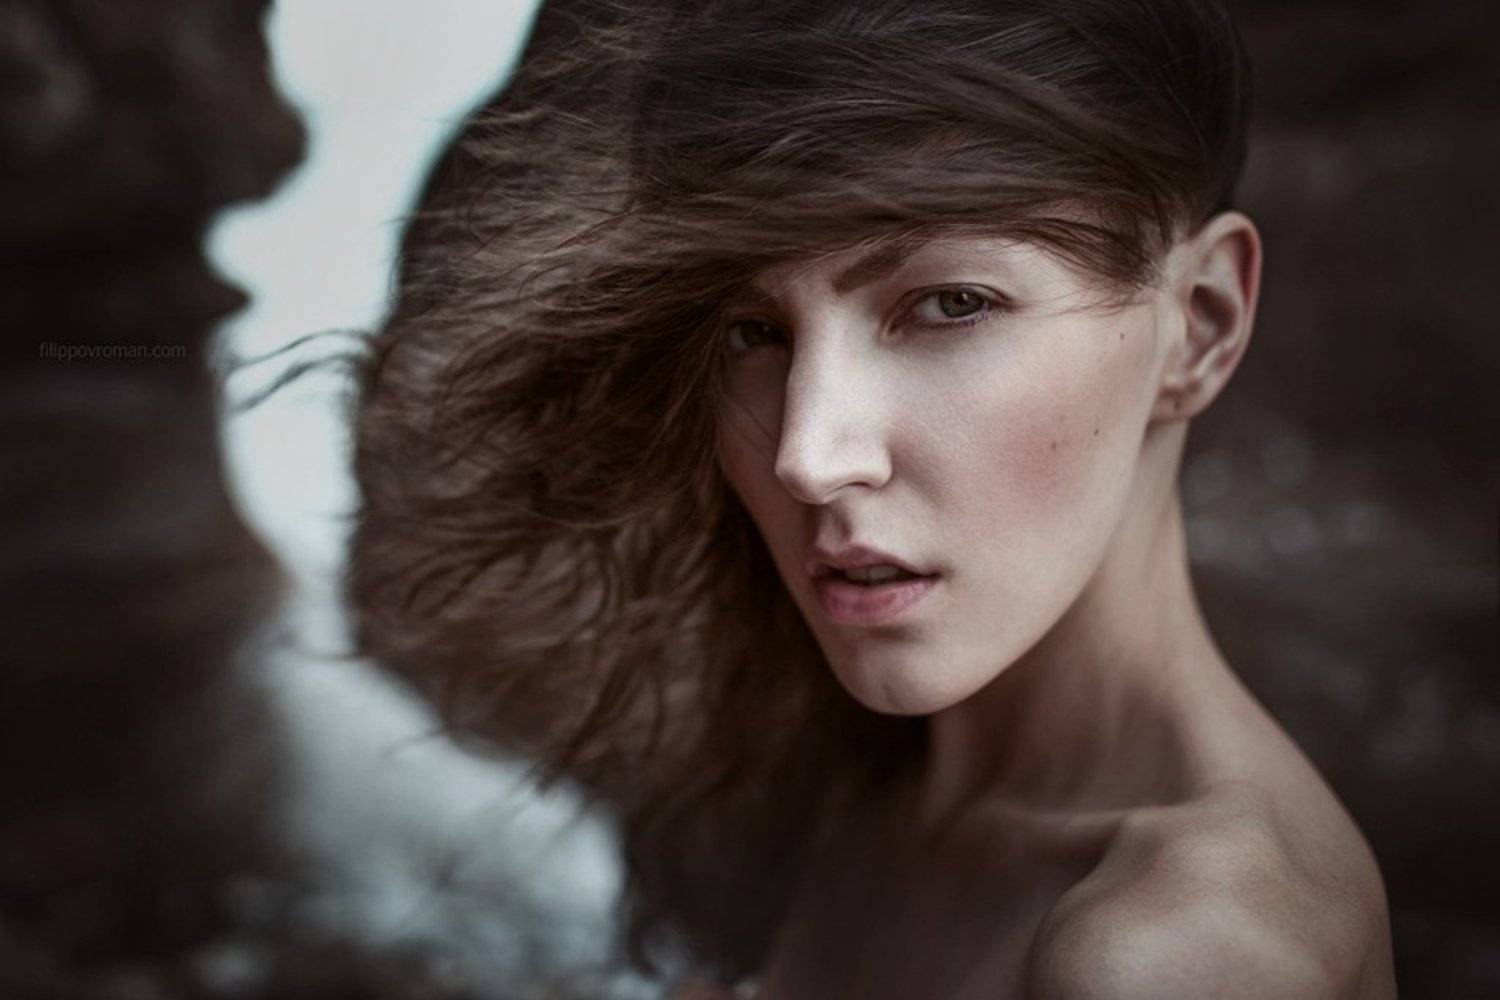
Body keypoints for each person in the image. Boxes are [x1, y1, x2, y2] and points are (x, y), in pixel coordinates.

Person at [346, 0, 1398, 995]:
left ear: (1201, 323)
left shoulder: (1173, 952)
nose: (809, 454)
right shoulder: (854, 788)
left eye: (950, 304)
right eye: (752, 333)